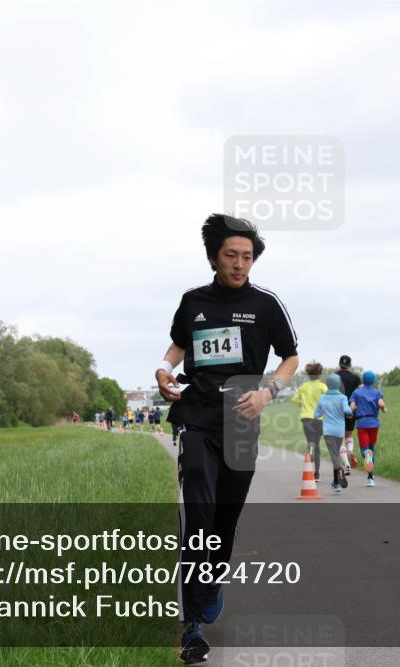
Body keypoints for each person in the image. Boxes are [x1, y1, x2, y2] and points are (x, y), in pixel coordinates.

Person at [155, 214, 298, 664]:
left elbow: (290, 357)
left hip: (241, 419)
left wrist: (267, 392)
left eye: (247, 257)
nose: (240, 265)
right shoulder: (193, 301)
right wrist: (163, 368)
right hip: (196, 416)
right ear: (214, 257)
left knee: (224, 519)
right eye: (231, 256)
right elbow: (179, 346)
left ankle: (212, 580)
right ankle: (192, 624)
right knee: (198, 515)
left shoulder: (266, 304)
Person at [314, 373, 353, 492]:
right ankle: (336, 483)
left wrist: (323, 412)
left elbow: (316, 415)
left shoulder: (322, 398)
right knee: (335, 455)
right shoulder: (343, 397)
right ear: (338, 384)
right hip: (339, 431)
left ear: (327, 384)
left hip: (328, 431)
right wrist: (349, 413)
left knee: (334, 456)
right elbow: (347, 410)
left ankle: (339, 470)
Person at [349, 370, 387, 488]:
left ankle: (366, 455)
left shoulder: (357, 392)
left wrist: (351, 412)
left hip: (362, 423)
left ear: (363, 380)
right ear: (373, 381)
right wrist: (384, 409)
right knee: (372, 448)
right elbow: (381, 404)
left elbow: (352, 406)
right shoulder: (377, 392)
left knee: (364, 450)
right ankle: (371, 477)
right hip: (374, 423)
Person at [290, 361, 327, 481]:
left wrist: (303, 404)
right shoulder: (322, 386)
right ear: (320, 374)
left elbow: (294, 399)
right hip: (319, 419)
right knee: (318, 445)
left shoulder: (303, 387)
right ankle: (316, 474)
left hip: (306, 418)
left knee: (311, 442)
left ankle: (310, 449)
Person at [335, 355, 362, 475]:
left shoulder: (334, 377)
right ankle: (350, 450)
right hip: (351, 409)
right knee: (349, 434)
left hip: (337, 410)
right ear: (350, 365)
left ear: (339, 364)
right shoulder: (355, 377)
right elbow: (361, 391)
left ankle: (346, 465)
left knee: (340, 439)